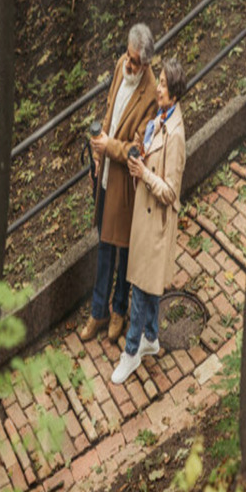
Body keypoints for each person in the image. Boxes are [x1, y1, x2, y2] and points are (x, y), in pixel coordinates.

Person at [80, 24, 158, 343]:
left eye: (135, 62)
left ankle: (118, 310)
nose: (128, 64)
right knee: (103, 248)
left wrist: (107, 147)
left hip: (125, 184)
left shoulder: (151, 94)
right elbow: (111, 109)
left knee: (122, 251)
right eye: (127, 57)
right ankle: (98, 312)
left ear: (146, 64)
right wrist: (99, 154)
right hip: (107, 175)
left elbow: (136, 148)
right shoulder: (119, 67)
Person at [112, 58, 187, 384]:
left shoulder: (177, 135)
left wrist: (145, 174)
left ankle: (131, 353)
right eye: (160, 84)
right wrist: (140, 162)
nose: (158, 88)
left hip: (156, 223)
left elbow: (171, 192)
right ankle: (152, 338)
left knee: (141, 290)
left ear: (174, 94)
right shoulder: (160, 120)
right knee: (148, 284)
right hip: (146, 217)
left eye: (164, 87)